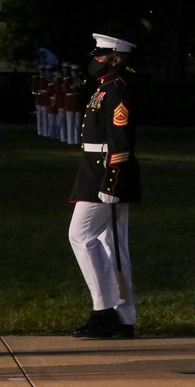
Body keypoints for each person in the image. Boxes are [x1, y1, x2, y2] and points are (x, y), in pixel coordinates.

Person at [67, 34, 140, 339]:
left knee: (81, 236)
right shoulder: (103, 89)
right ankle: (123, 317)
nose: (95, 60)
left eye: (101, 55)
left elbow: (120, 139)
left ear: (117, 59)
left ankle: (104, 310)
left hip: (105, 172)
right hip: (96, 170)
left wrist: (112, 180)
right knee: (112, 245)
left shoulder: (116, 90)